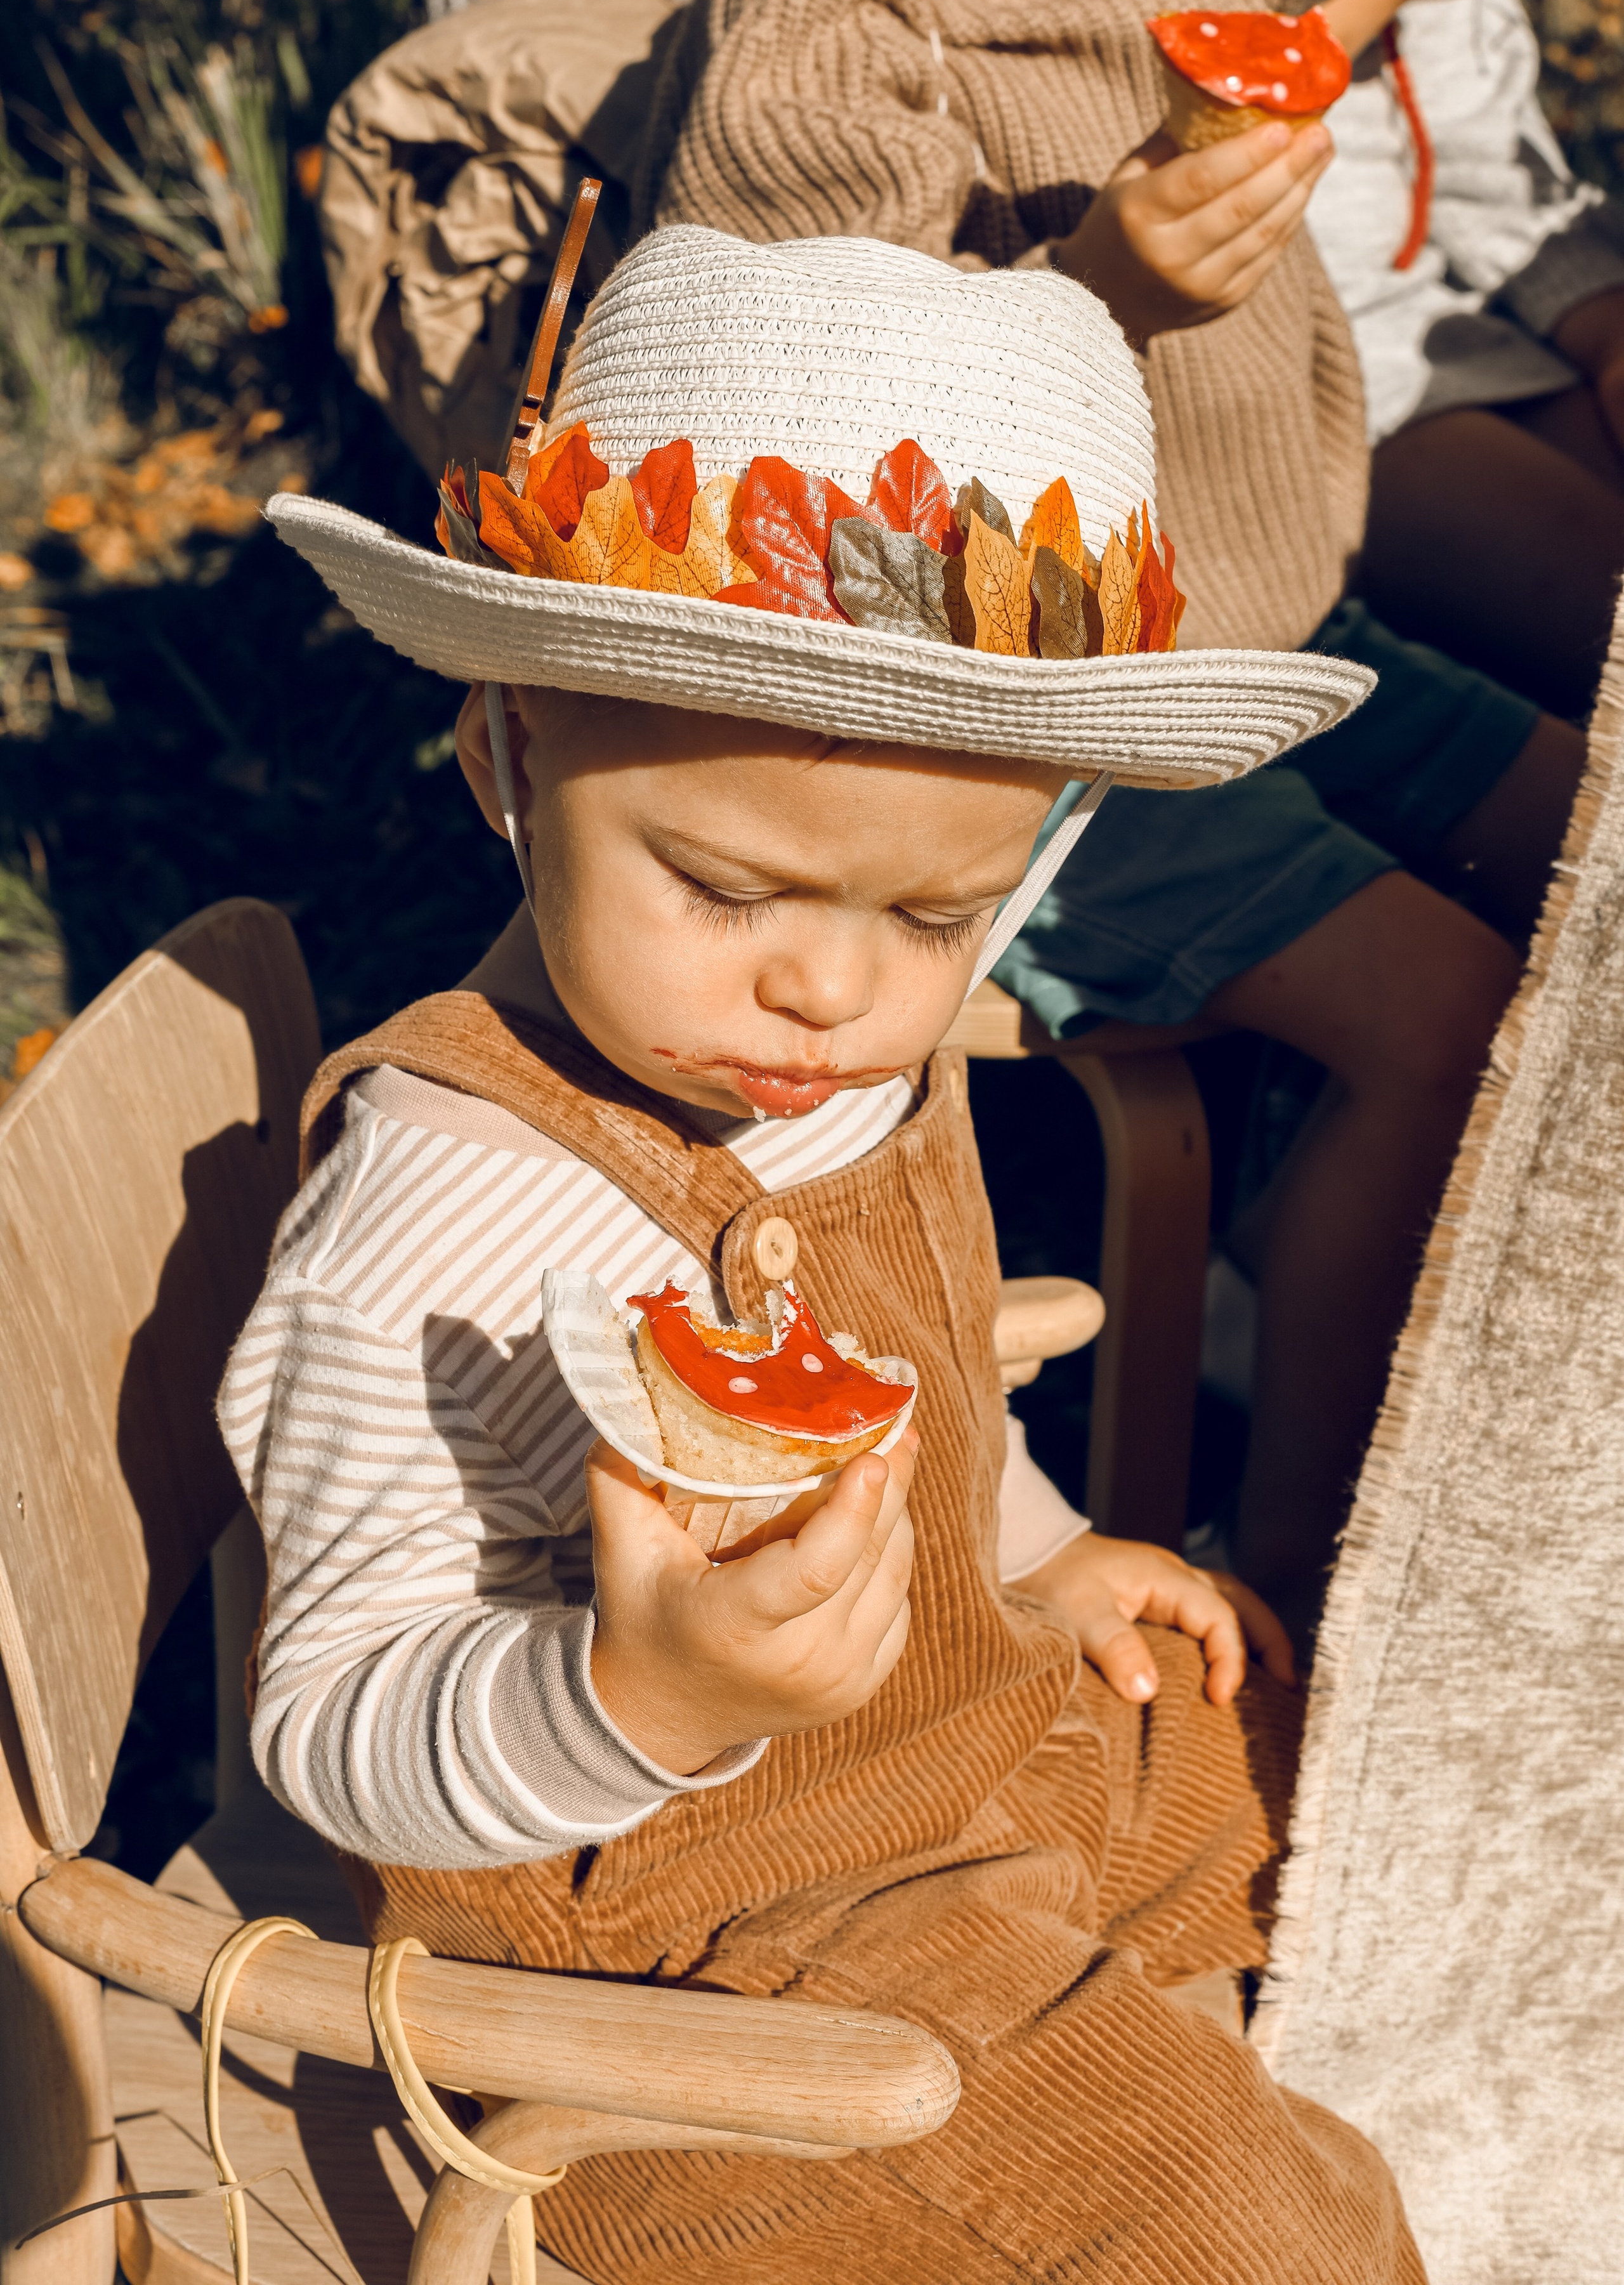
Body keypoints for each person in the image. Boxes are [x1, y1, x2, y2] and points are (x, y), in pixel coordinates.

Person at [237, 224, 1425, 2279]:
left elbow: (918, 1358)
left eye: (933, 924)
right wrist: (648, 1688)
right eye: (722, 884)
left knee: (1363, 1778)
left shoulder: (824, 1077)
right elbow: (330, 1722)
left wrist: (1037, 1548)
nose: (824, 992)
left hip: (968, 1754)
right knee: (1270, 2234)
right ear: (507, 750)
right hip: (709, 1968)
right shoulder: (434, 1222)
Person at [634, 0, 1587, 1635]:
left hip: (1267, 624)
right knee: (1446, 1018)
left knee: (1592, 879)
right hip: (1002, 701)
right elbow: (816, 407)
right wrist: (1096, 291)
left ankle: (1502, 1443)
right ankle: (1306, 1602)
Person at [1309, 0, 1624, 716]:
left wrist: (1606, 332)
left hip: (1473, 347)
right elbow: (1178, 130)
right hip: (1321, 394)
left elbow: (1484, 165)